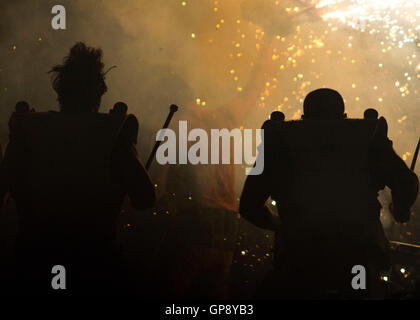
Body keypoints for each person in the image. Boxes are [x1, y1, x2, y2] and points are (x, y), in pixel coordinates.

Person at [0, 42, 156, 295]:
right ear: (99, 93)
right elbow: (145, 199)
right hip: (96, 269)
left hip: (34, 266)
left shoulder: (28, 131)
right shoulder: (112, 135)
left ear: (61, 92)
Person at [239, 88, 419, 299]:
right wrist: (399, 208)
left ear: (304, 117)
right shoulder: (367, 136)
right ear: (343, 116)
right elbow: (406, 184)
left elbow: (249, 206)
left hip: (298, 262)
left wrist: (278, 224)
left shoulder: (282, 140)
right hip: (357, 260)